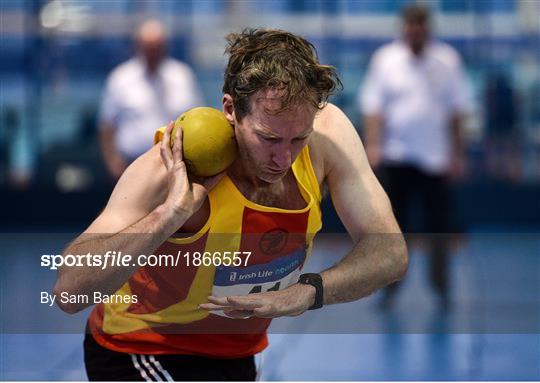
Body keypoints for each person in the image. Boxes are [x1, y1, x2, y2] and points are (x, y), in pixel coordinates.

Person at [55, 28, 408, 381]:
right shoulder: (177, 162)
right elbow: (69, 291)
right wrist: (169, 214)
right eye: (268, 138)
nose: (283, 157)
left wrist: (308, 291)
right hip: (141, 346)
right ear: (230, 110)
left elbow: (389, 252)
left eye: (298, 138)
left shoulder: (328, 134)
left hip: (236, 353)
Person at [359, 5, 470, 308]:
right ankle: (390, 287)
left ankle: (441, 287)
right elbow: (374, 108)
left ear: (428, 28)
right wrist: (373, 145)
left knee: (439, 227)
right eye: (411, 26)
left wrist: (457, 154)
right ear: (404, 27)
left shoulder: (447, 60)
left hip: (436, 159)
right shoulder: (385, 60)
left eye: (421, 26)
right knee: (393, 229)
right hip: (397, 157)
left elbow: (457, 111)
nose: (415, 31)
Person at [99, 19, 204, 179]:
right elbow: (107, 125)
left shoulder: (183, 76)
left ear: (165, 47)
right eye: (149, 48)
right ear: (138, 46)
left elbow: (198, 119)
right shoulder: (120, 78)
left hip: (176, 164)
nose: (153, 53)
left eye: (157, 48)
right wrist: (112, 161)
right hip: (130, 164)